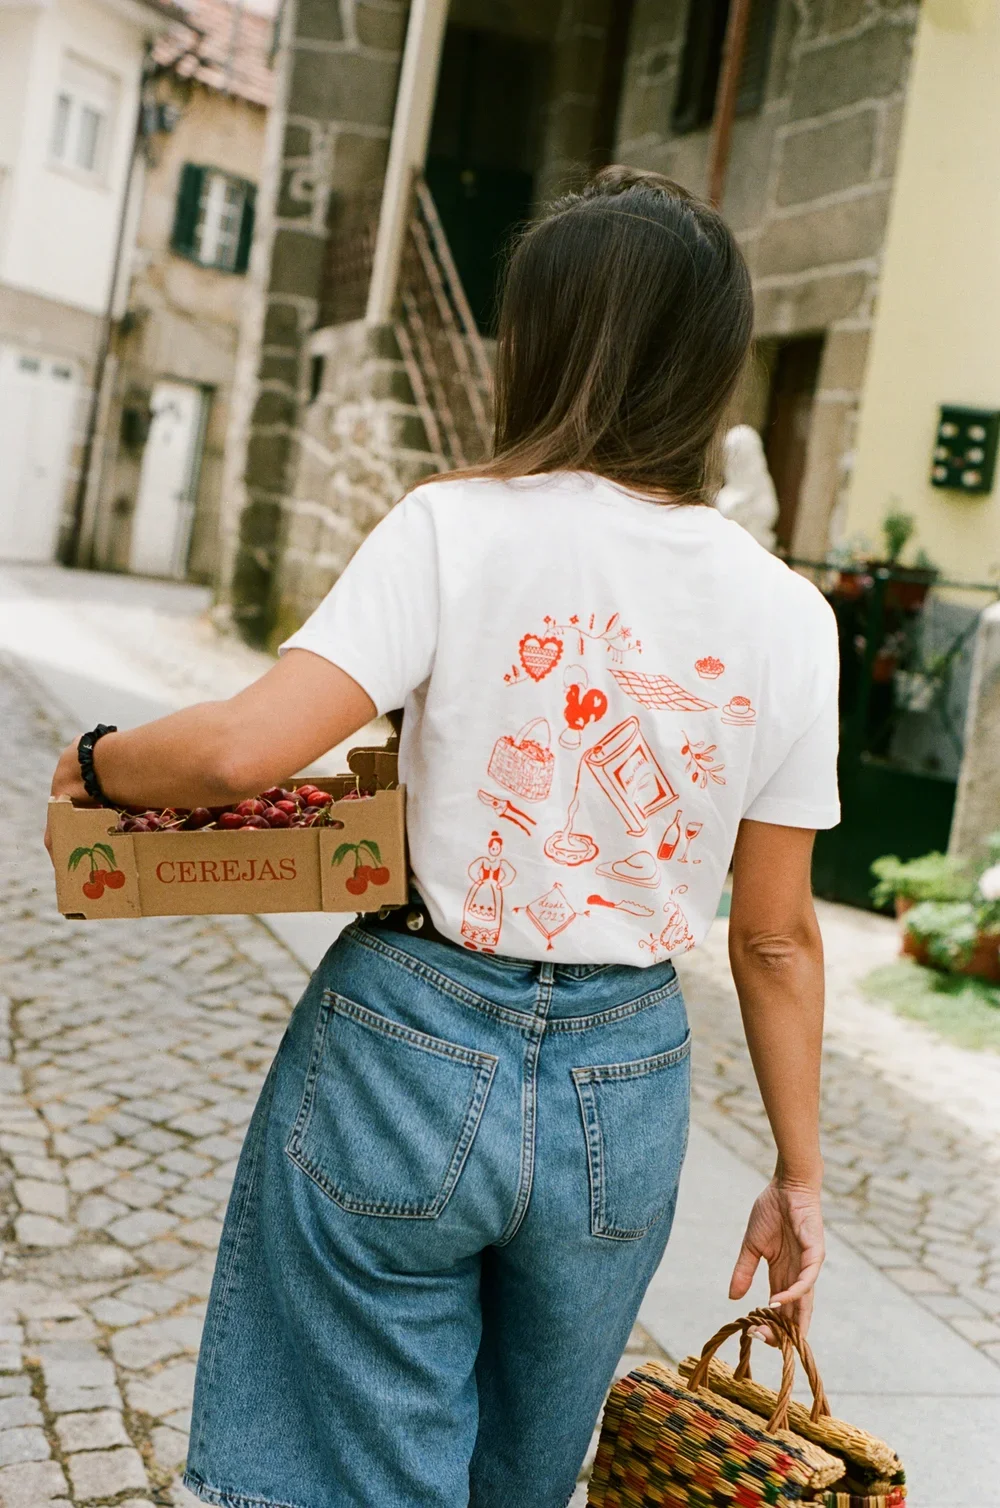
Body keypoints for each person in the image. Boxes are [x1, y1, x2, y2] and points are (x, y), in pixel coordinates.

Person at [47, 167, 839, 1508]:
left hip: (409, 1038)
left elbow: (242, 751)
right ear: (713, 364)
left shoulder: (451, 528)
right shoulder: (789, 616)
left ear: (538, 342)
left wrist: (94, 760)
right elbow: (774, 937)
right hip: (625, 1079)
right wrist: (799, 1178)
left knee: (360, 1465)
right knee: (524, 1478)